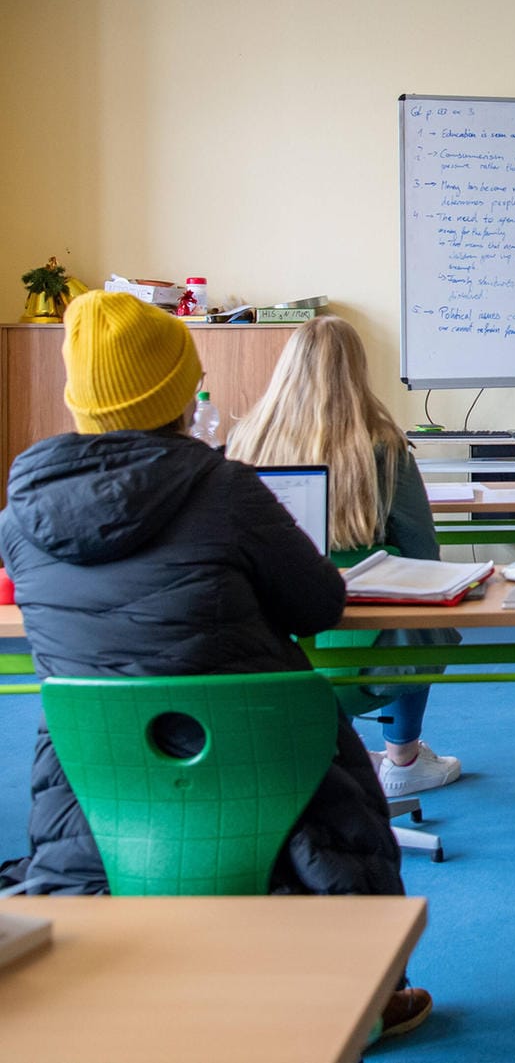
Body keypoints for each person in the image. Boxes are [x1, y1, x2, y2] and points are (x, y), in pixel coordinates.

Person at [0, 292, 430, 1035]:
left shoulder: (19, 517)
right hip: (266, 767)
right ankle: (364, 990)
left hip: (96, 784)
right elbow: (319, 603)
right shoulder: (225, 490)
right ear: (175, 395)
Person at [226, 316, 461, 797]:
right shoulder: (384, 447)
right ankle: (403, 757)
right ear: (357, 371)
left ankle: (329, 752)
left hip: (271, 649)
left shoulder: (245, 441)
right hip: (374, 649)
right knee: (429, 623)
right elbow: (422, 550)